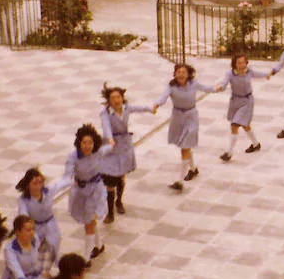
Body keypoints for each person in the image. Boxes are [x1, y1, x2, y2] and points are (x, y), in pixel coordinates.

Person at [154, 63, 216, 192]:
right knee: (184, 145)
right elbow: (163, 97)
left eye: (184, 72)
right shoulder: (171, 86)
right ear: (175, 74)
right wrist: (156, 104)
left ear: (188, 74)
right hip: (177, 118)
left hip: (191, 117)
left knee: (184, 148)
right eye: (179, 72)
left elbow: (207, 88)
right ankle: (193, 169)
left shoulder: (194, 83)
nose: (181, 74)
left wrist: (219, 87)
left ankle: (180, 181)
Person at [99, 86, 154, 221]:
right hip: (111, 146)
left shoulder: (126, 108)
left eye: (118, 97)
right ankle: (110, 212)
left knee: (121, 175)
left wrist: (150, 109)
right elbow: (106, 126)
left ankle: (119, 200)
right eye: (113, 98)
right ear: (108, 100)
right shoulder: (105, 113)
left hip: (124, 144)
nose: (116, 100)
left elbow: (139, 108)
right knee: (110, 178)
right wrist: (110, 138)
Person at [65, 124, 111, 259]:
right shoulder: (73, 157)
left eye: (90, 143)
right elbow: (68, 173)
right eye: (84, 142)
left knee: (89, 221)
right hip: (80, 192)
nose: (87, 146)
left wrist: (113, 143)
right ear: (79, 142)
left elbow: (109, 147)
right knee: (90, 220)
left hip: (96, 191)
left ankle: (86, 258)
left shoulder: (98, 152)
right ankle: (98, 245)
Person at [213, 54, 269, 161]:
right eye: (239, 63)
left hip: (247, 101)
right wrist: (220, 87)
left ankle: (229, 153)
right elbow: (224, 83)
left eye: (243, 62)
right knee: (245, 124)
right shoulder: (230, 74)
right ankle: (256, 144)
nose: (242, 65)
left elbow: (258, 74)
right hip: (235, 102)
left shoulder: (249, 71)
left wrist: (267, 74)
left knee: (235, 124)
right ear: (234, 64)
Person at [16, 167, 67, 271]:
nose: (39, 186)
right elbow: (23, 214)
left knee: (52, 250)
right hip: (35, 228)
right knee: (35, 253)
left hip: (51, 226)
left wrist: (72, 179)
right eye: (35, 183)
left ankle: (54, 274)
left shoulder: (48, 191)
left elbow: (61, 184)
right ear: (28, 185)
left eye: (40, 182)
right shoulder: (23, 200)